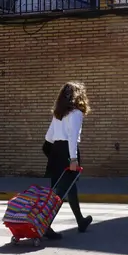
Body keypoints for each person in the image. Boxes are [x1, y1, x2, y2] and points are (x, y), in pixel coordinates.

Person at [43, 81, 93, 240]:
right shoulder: (76, 113)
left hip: (56, 151)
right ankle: (45, 225)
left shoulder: (58, 113)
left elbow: (48, 137)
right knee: (61, 192)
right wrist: (73, 158)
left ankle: (80, 221)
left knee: (68, 187)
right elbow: (72, 137)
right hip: (67, 152)